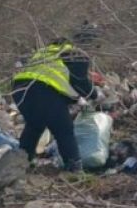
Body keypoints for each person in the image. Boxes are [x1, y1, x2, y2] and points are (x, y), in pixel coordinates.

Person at [12, 30, 97, 172]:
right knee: (64, 129)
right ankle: (74, 168)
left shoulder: (44, 53)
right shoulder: (75, 54)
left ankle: (23, 162)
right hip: (43, 90)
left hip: (19, 91)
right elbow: (80, 83)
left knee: (34, 125)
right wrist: (95, 95)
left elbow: (63, 82)